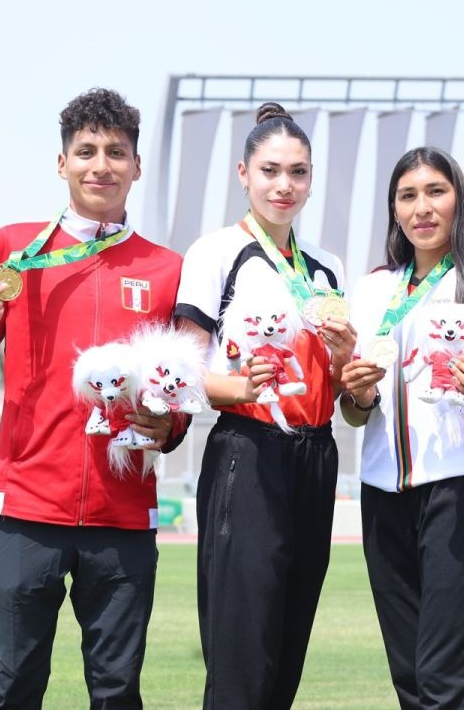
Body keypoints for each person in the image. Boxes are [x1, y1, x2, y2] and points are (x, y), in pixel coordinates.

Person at [0, 88, 189, 710]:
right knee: (16, 687)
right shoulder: (15, 247)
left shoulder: (167, 268)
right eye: (85, 151)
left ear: (137, 166)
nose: (100, 165)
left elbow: (180, 389)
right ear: (61, 164)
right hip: (25, 505)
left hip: (123, 513)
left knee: (116, 692)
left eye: (116, 152)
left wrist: (168, 425)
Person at [174, 102, 356, 709]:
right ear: (243, 173)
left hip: (316, 455)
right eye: (271, 170)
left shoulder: (328, 268)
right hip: (246, 453)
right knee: (242, 645)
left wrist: (350, 362)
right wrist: (242, 389)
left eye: (298, 172)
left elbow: (339, 384)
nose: (285, 185)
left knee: (288, 641)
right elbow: (184, 372)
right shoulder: (216, 252)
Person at [339, 146, 464, 709]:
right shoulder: (373, 288)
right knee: (410, 679)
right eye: (407, 195)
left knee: (446, 680)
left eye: (435, 192)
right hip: (382, 493)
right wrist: (358, 390)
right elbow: (353, 411)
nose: (422, 208)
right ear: (394, 211)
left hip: (460, 492)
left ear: (459, 199)